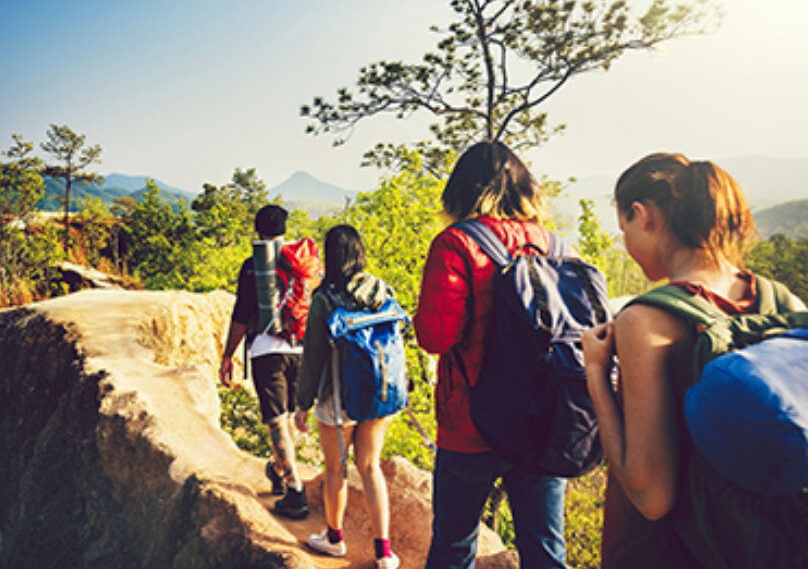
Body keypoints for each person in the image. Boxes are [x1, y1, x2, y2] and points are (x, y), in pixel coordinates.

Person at [581, 153, 807, 567]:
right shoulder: (782, 300)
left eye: (624, 228)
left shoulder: (647, 320)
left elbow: (651, 497)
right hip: (772, 546)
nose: (627, 244)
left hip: (674, 553)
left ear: (642, 215)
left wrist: (596, 372)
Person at [415, 141, 568, 569]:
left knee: (454, 546)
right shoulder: (558, 247)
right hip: (544, 421)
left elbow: (436, 337)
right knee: (546, 552)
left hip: (471, 422)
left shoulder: (456, 244)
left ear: (461, 190)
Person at [293, 224, 401, 569]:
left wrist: (302, 404)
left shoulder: (326, 298)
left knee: (335, 468)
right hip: (379, 392)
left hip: (338, 396)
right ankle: (384, 552)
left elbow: (313, 357)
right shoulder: (383, 290)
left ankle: (334, 539)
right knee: (370, 467)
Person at [220, 204, 308, 519]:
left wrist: (228, 355)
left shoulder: (253, 266)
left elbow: (242, 315)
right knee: (288, 414)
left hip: (267, 351)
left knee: (277, 419)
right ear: (285, 228)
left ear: (257, 231)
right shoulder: (303, 262)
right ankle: (280, 470)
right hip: (301, 348)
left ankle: (295, 490)